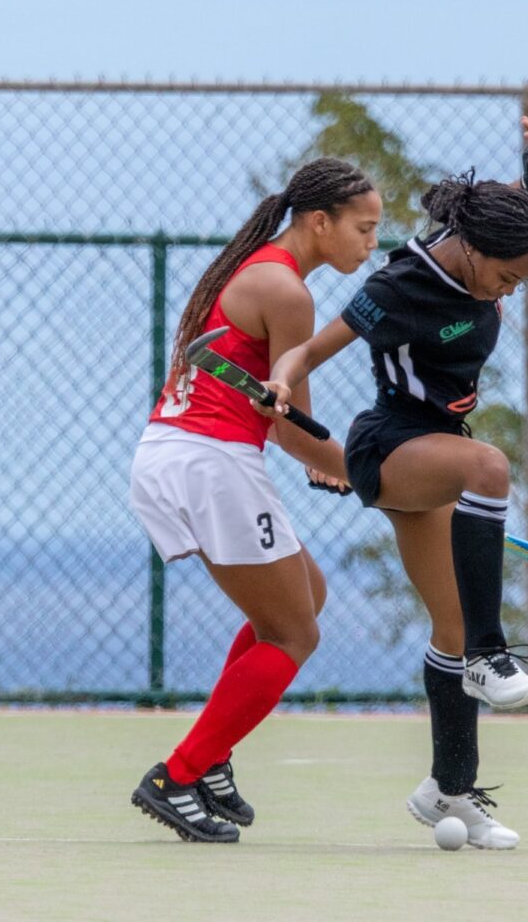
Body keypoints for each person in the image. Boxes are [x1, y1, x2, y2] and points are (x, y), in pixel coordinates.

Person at [259, 119, 528, 848]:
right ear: (473, 253)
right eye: (507, 279)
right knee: (490, 467)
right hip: (391, 444)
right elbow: (315, 347)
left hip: (437, 446)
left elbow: (495, 217)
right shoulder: (397, 286)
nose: (510, 292)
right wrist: (282, 380)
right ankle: (493, 656)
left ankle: (449, 792)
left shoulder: (483, 241)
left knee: (447, 626)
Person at [128, 157, 381, 842]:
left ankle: (210, 760)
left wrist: (343, 467)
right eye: (364, 228)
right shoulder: (285, 290)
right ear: (320, 222)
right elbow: (291, 427)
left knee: (308, 595)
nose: (371, 242)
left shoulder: (265, 272)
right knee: (295, 633)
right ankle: (177, 774)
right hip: (212, 462)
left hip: (191, 455)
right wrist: (375, 478)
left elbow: (290, 425)